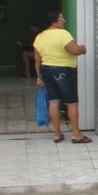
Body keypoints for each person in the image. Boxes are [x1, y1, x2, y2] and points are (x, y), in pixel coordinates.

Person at [33, 11, 90, 144]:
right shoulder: (63, 34)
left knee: (53, 101)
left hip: (46, 71)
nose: (64, 21)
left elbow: (37, 60)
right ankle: (76, 134)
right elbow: (74, 50)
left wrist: (38, 77)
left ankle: (57, 134)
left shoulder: (39, 37)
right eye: (61, 19)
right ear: (54, 22)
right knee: (71, 103)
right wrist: (83, 48)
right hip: (63, 71)